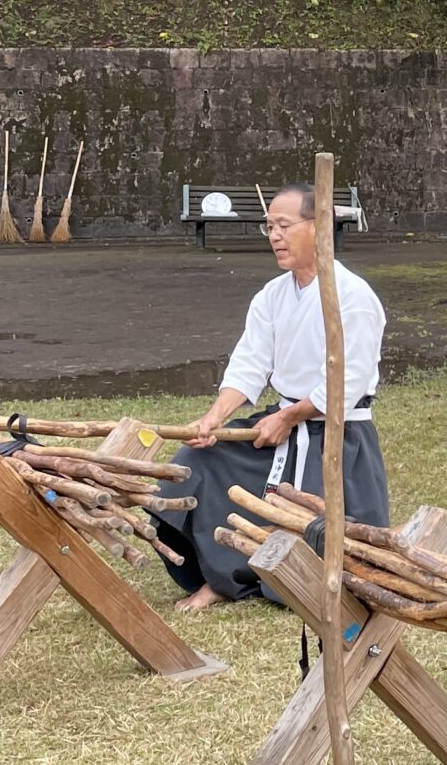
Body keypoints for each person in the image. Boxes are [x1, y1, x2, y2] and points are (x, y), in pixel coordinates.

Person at [155, 183, 391, 609]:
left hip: (336, 434)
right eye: (269, 227)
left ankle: (278, 575)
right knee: (199, 461)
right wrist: (214, 417)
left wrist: (292, 416)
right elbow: (249, 363)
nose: (274, 236)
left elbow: (349, 381)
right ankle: (224, 578)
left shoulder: (353, 296)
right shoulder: (272, 295)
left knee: (328, 547)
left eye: (284, 225)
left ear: (318, 227)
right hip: (283, 422)